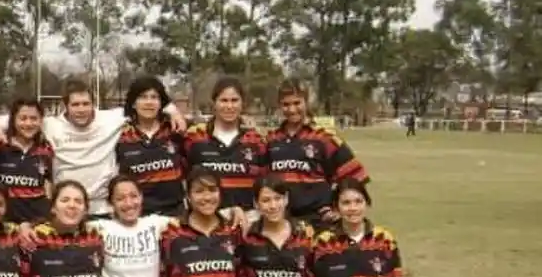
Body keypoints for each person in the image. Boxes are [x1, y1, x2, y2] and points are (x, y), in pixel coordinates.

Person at [0, 78, 187, 218]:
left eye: (86, 103)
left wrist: (174, 112)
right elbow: (17, 118)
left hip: (103, 210)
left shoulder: (111, 119)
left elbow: (145, 103)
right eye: (75, 104)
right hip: (66, 209)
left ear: (94, 104)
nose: (82, 109)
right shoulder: (51, 125)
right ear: (65, 105)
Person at [265, 81, 369, 231]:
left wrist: (337, 208)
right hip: (282, 222)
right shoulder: (271, 140)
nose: (292, 109)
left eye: (297, 103)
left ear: (306, 102)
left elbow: (355, 177)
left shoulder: (324, 138)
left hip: (318, 223)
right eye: (286, 104)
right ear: (279, 106)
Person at [183, 77, 267, 220]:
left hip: (247, 221)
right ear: (214, 103)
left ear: (242, 104)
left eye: (234, 100)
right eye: (224, 100)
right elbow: (184, 177)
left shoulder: (257, 139)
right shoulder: (194, 137)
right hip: (208, 221)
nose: (229, 106)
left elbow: (266, 182)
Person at [115, 75, 185, 217]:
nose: (149, 102)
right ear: (134, 103)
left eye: (154, 97)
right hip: (138, 216)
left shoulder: (175, 130)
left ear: (161, 104)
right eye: (142, 97)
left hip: (175, 214)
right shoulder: (121, 136)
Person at [0, 98, 54, 224]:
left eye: (34, 119)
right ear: (13, 120)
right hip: (6, 224)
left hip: (37, 223)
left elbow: (48, 184)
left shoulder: (46, 149)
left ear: (41, 121)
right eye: (23, 118)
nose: (28, 123)